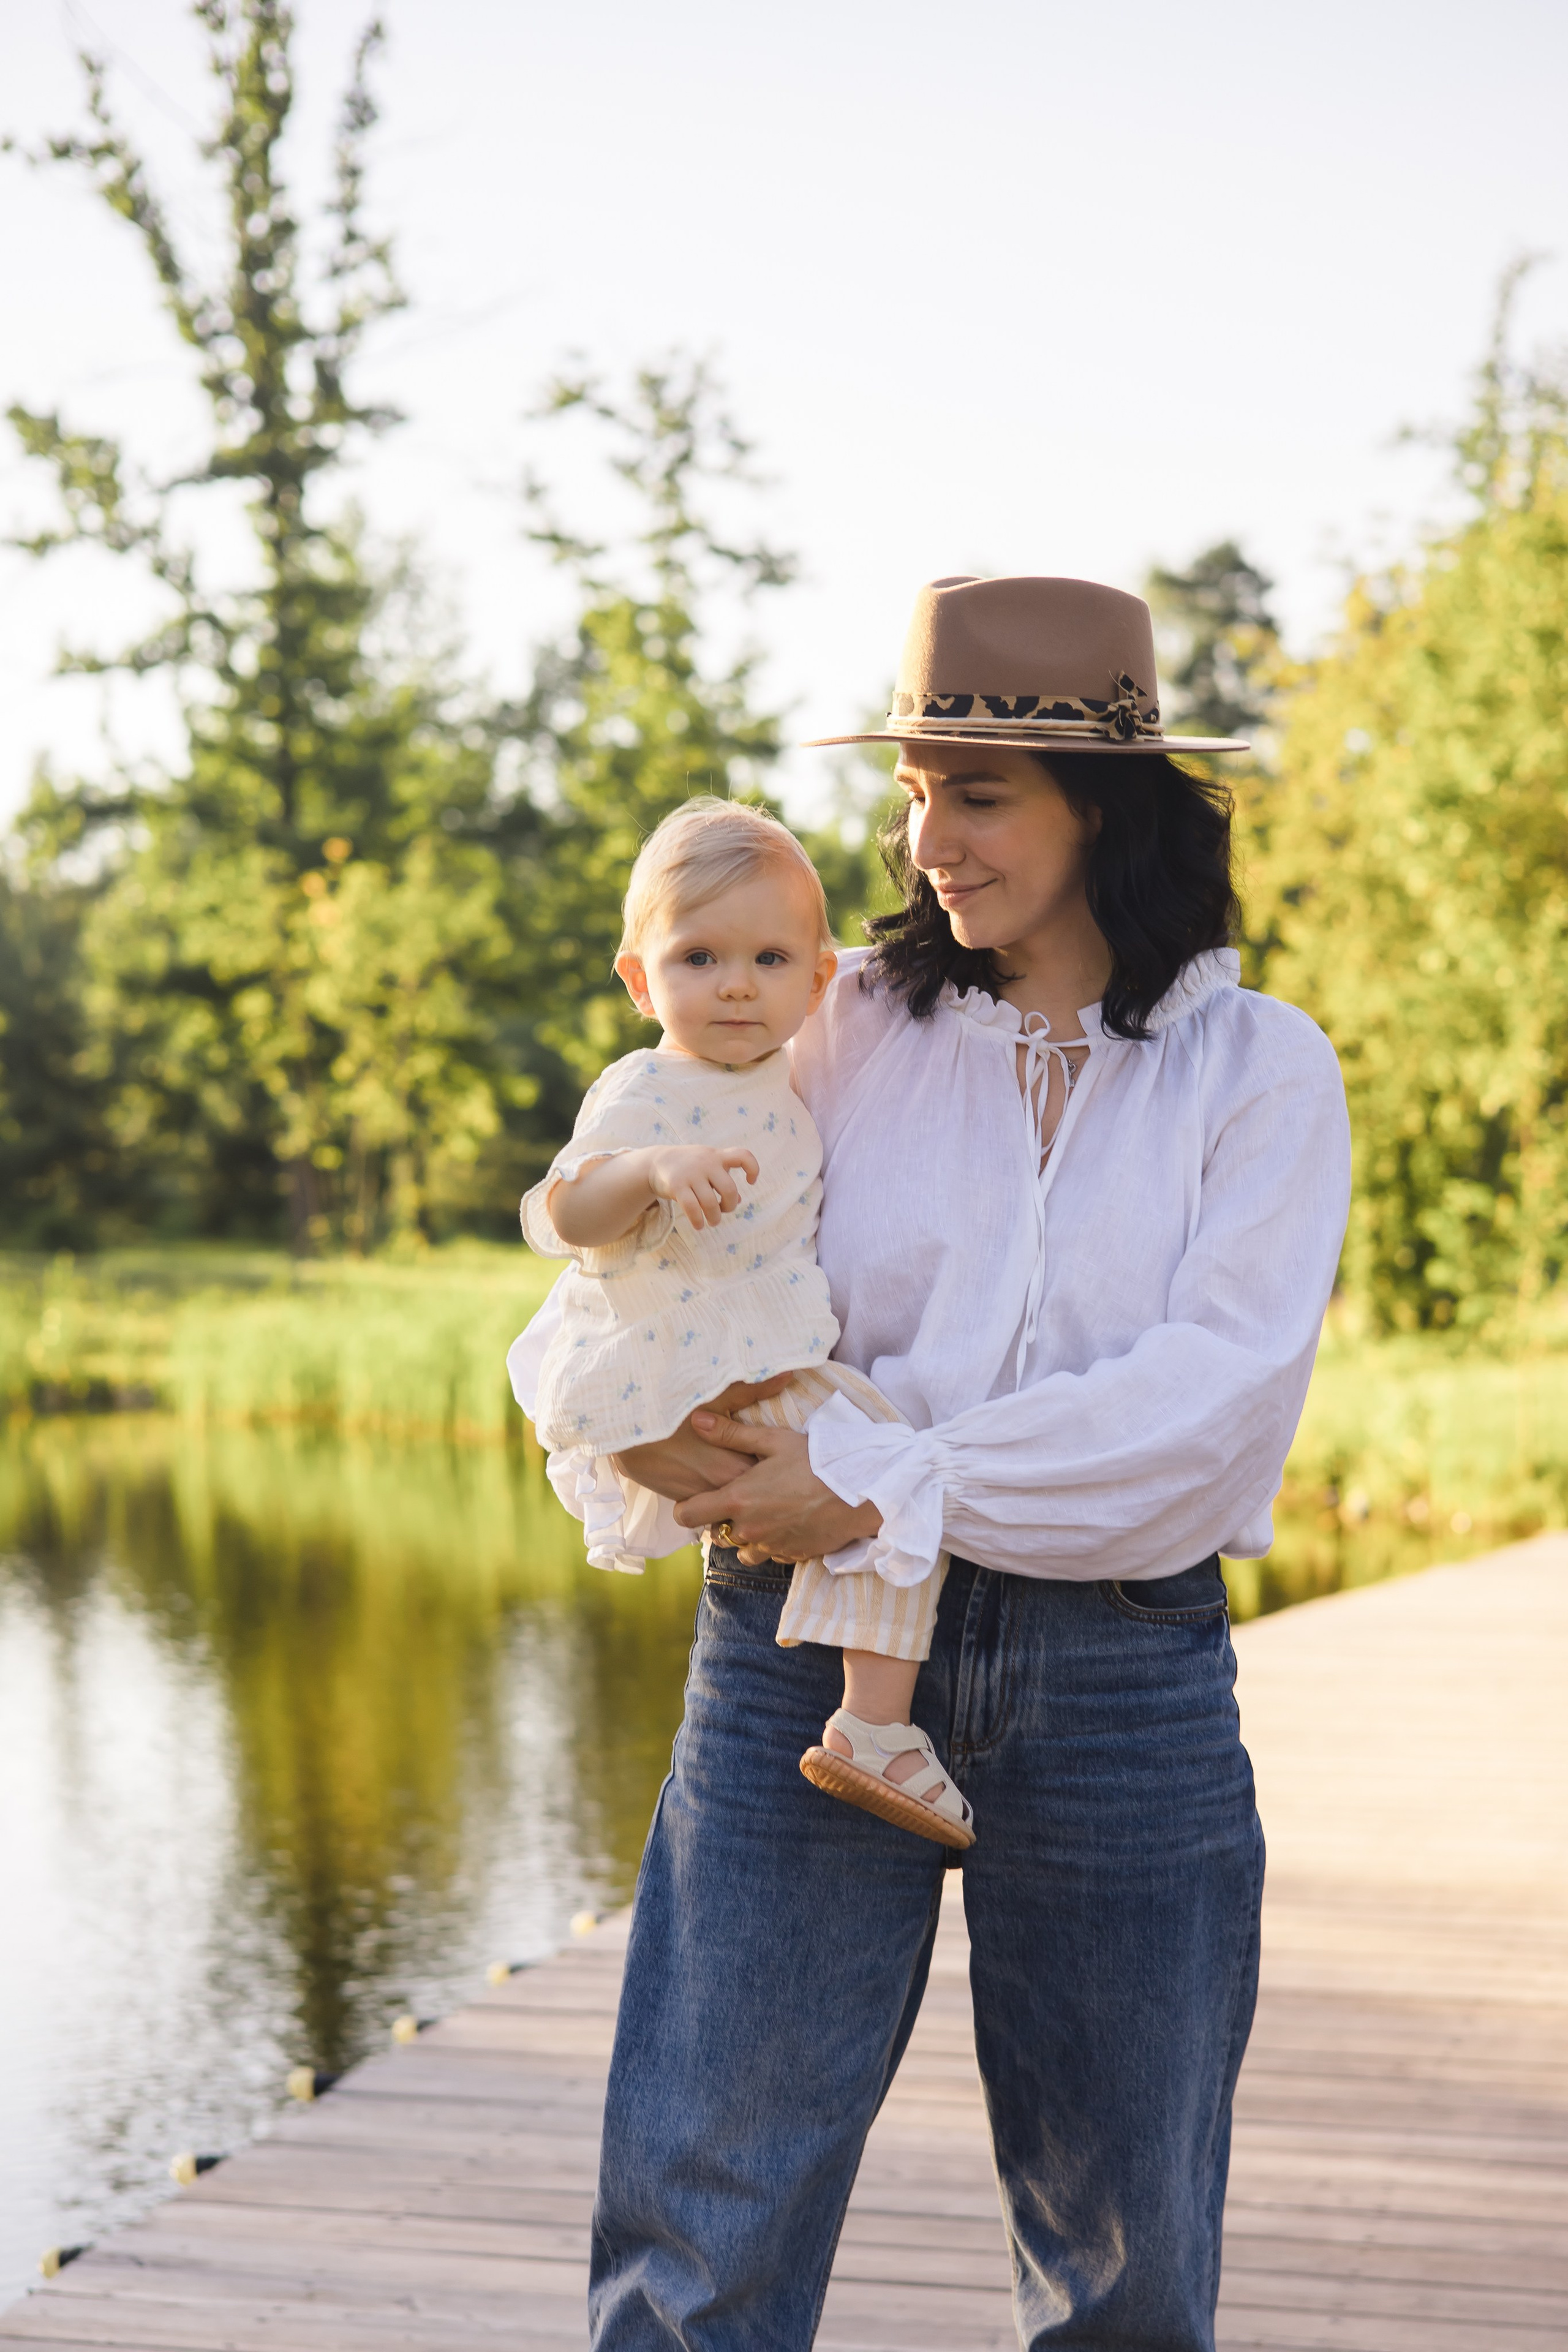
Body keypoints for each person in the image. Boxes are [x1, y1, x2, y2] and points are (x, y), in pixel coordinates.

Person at [510, 575, 1351, 2351]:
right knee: (703, 2234)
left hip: (1117, 1675)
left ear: (1102, 809)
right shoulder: (838, 1024)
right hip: (796, 1650)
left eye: (975, 793)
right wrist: (687, 1434)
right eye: (913, 788)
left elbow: (1209, 1410)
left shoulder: (1256, 1072)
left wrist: (888, 1484)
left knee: (1128, 2270)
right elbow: (652, 1230)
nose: (924, 837)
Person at [514, 796, 972, 1847]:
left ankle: (868, 1718)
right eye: (698, 957)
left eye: (770, 960)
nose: (734, 985)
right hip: (676, 1357)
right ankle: (877, 1723)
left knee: (872, 1483)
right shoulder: (643, 1087)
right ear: (640, 979)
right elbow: (561, 1214)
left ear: (821, 981)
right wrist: (647, 1171)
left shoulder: (795, 1072)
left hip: (747, 1356)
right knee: (891, 1468)